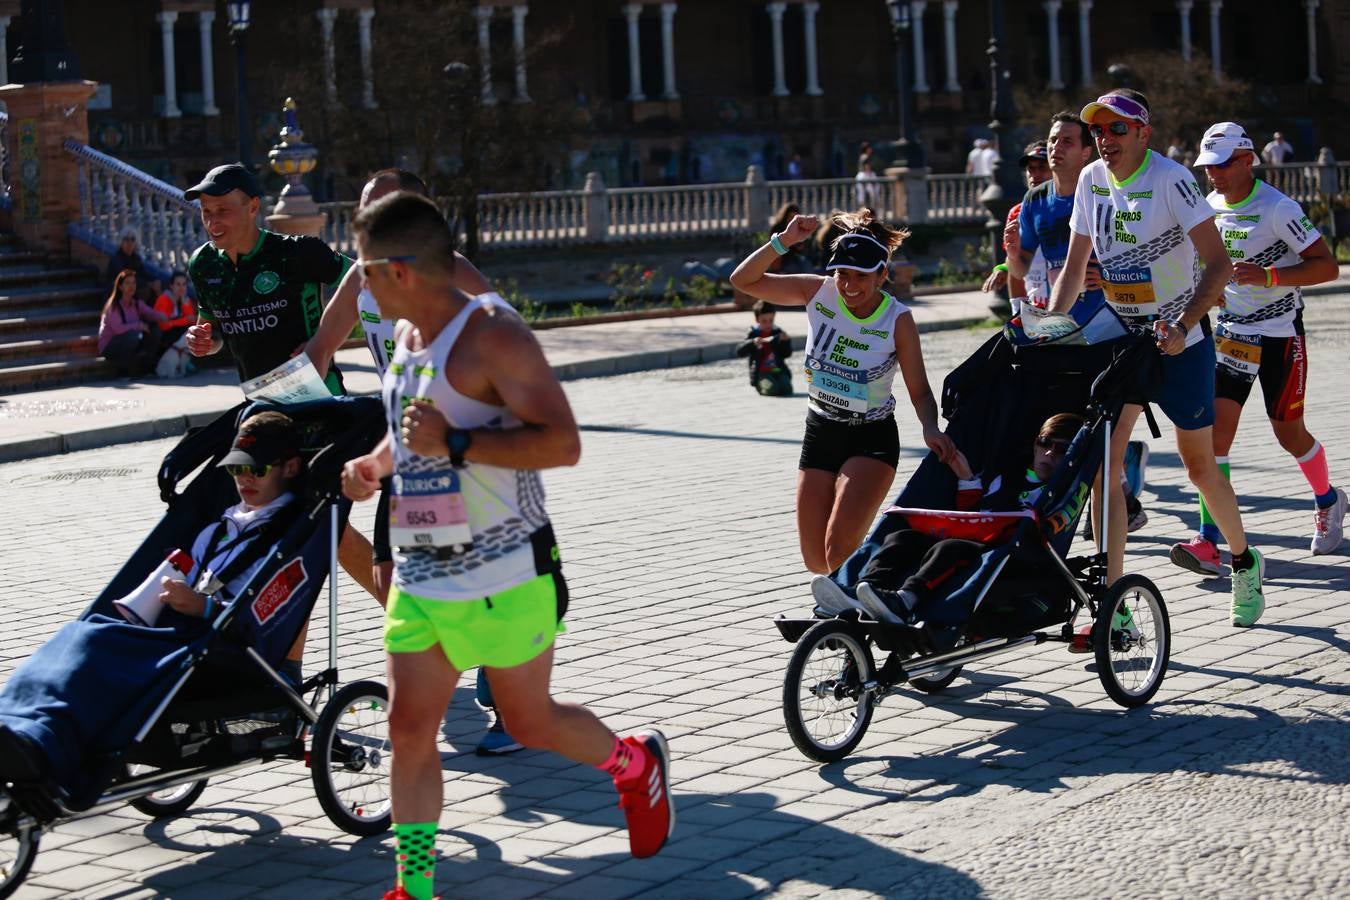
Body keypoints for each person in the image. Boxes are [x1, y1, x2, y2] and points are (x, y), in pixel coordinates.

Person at [338, 192, 674, 898]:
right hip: (423, 575)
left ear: (399, 269)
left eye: (362, 268)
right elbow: (410, 432)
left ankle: (634, 766)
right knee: (408, 729)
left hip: (507, 573)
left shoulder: (493, 333)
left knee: (530, 721)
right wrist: (376, 465)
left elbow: (564, 443)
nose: (356, 283)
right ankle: (415, 887)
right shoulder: (406, 340)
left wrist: (457, 442)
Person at [304, 166, 522, 757]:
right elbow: (320, 348)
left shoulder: (443, 269)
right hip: (399, 432)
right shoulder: (361, 278)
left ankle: (508, 702)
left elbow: (501, 323)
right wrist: (300, 399)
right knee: (389, 577)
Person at [1047, 89, 1266, 628]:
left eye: (1118, 130)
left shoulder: (1170, 179)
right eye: (1099, 130)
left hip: (1182, 342)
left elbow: (1216, 264)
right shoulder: (1092, 182)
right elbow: (1075, 271)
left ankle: (1243, 559)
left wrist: (1184, 324)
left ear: (1144, 134)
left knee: (1200, 470)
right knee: (1105, 466)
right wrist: (1047, 328)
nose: (1105, 140)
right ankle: (1115, 602)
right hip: (1123, 340)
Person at [0, 411, 306, 788]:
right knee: (79, 634)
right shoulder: (222, 524)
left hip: (217, 645)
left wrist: (202, 606)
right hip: (177, 630)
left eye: (257, 471)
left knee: (93, 645)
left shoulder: (287, 536)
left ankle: (42, 742)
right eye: (235, 470)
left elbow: (260, 621)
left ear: (290, 467)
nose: (244, 479)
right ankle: (15, 723)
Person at [181, 162, 380, 604]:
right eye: (206, 212)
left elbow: (367, 289)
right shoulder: (202, 265)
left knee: (313, 528)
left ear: (253, 207)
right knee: (308, 530)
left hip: (316, 403)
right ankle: (290, 654)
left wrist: (323, 341)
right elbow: (213, 330)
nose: (213, 221)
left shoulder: (296, 253)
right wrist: (204, 341)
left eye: (223, 210)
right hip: (261, 411)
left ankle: (408, 621)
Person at [729, 208, 957, 575]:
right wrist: (784, 241)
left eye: (860, 276)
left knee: (837, 550)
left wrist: (930, 427)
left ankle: (876, 587)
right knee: (816, 560)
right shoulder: (817, 292)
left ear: (882, 275)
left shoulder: (897, 319)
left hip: (871, 437)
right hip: (820, 431)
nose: (849, 285)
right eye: (842, 274)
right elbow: (743, 280)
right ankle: (864, 591)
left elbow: (920, 390)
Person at [1170, 122, 1344, 565]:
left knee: (1289, 434)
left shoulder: (1277, 207)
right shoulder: (1208, 205)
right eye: (1209, 165)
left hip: (1281, 335)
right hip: (1233, 335)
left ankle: (1328, 501)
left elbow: (1327, 268)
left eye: (1224, 163)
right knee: (1215, 441)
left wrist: (1271, 276)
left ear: (1248, 159)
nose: (1215, 173)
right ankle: (1209, 540)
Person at [1003, 112, 1151, 537]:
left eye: (1067, 141)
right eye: (1053, 140)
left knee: (1096, 415)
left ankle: (1116, 493)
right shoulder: (1036, 200)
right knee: (1066, 417)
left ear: (1087, 151)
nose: (1056, 148)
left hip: (1111, 324)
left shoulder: (1102, 193)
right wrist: (1013, 253)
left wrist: (1108, 276)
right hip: (1061, 324)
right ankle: (1122, 487)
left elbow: (1140, 252)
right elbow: (1023, 264)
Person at [843, 413, 1083, 626]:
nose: (1049, 453)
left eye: (1061, 449)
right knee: (901, 538)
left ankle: (905, 600)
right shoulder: (1006, 475)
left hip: (1008, 552)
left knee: (949, 548)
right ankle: (861, 591)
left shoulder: (1060, 491)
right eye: (1044, 443)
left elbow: (1054, 526)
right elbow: (975, 510)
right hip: (975, 533)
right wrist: (966, 476)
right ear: (1035, 444)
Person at [981, 140, 1052, 314]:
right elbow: (1015, 258)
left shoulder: (1073, 203)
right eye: (1030, 169)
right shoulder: (1017, 212)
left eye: (1042, 167)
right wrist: (1003, 269)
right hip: (1036, 305)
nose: (1034, 174)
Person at [98, 269, 169, 376]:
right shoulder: (113, 307)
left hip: (129, 340)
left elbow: (151, 313)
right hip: (110, 346)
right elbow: (118, 329)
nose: (131, 286)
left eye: (133, 283)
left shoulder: (136, 303)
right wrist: (138, 326)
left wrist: (164, 316)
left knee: (155, 332)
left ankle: (146, 366)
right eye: (127, 283)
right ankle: (122, 370)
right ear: (120, 286)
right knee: (133, 335)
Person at [735, 299, 794, 396]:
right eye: (764, 321)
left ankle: (778, 382)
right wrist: (752, 342)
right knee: (773, 390)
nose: (768, 324)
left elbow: (787, 354)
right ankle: (761, 386)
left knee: (787, 389)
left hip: (777, 369)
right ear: (757, 320)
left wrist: (786, 341)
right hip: (761, 372)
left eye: (771, 320)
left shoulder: (777, 332)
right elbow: (739, 352)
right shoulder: (753, 333)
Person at [105, 227, 159, 298]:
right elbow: (125, 278)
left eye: (132, 239)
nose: (129, 243)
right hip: (118, 292)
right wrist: (148, 284)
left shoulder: (136, 258)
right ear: (121, 242)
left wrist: (155, 281)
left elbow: (144, 274)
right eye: (126, 239)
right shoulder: (116, 259)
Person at [153, 270, 197, 348]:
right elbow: (163, 326)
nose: (181, 288)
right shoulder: (163, 299)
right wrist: (184, 320)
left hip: (181, 335)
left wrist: (184, 305)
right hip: (165, 337)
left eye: (184, 284)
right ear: (171, 286)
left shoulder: (186, 300)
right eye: (178, 284)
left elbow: (191, 322)